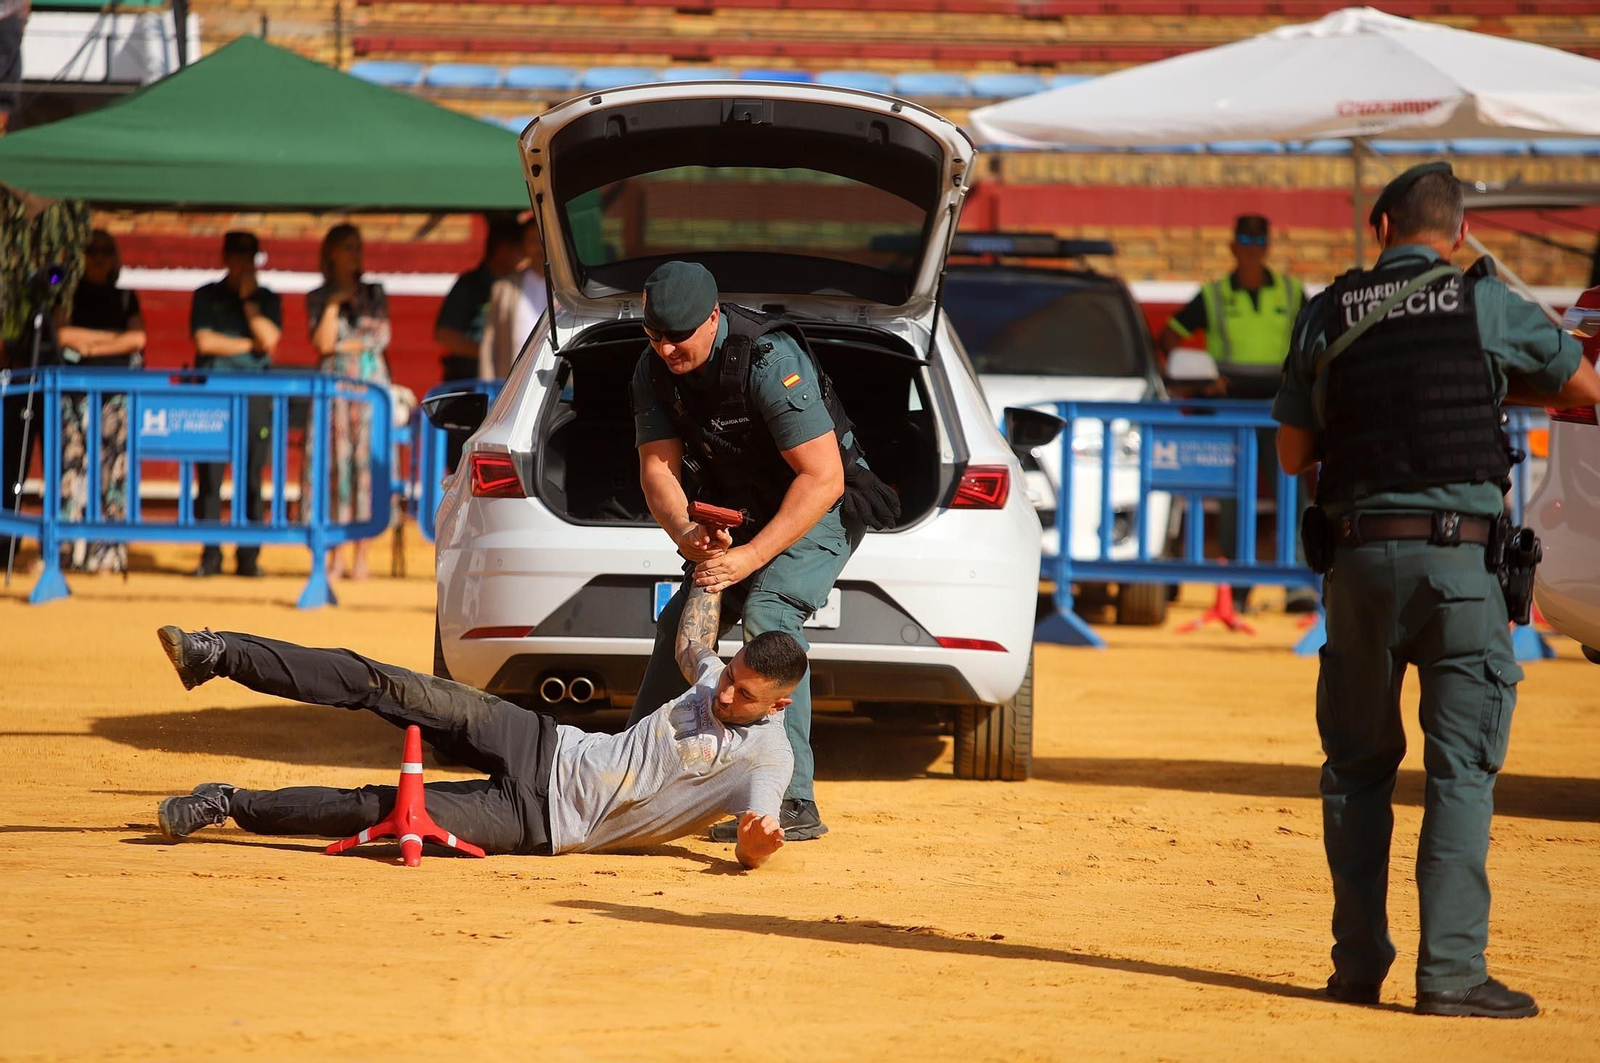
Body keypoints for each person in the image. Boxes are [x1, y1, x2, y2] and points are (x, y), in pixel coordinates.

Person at [1273, 161, 1600, 1018]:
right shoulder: (1483, 303)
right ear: (1459, 235)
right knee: (1461, 771)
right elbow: (1583, 386)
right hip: (1460, 576)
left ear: (1379, 227)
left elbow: (1292, 455)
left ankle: (1355, 969)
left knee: (1354, 768)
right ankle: (1451, 973)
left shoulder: (1327, 311)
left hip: (1356, 568)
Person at [152, 578, 797, 870]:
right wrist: (710, 568)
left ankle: (226, 805)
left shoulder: (769, 759)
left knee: (380, 810)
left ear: (777, 707)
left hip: (540, 825)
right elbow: (694, 639)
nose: (725, 692)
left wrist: (756, 845)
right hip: (542, 741)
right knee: (388, 685)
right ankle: (219, 654)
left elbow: (752, 840)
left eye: (744, 694)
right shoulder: (716, 675)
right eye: (731, 674)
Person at [628, 260, 900, 843]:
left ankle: (791, 798)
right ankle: (633, 774)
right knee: (683, 619)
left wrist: (749, 561)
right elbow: (657, 469)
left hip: (823, 502)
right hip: (742, 506)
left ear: (713, 317)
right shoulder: (651, 368)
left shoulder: (769, 360)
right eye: (656, 336)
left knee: (769, 613)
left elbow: (822, 477)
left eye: (679, 336)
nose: (667, 348)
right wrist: (689, 534)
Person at [1160, 214, 1311, 612]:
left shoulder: (1292, 293)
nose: (1251, 247)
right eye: (1244, 239)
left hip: (1280, 408)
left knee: (1292, 493)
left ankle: (1296, 584)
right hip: (1228, 411)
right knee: (1234, 499)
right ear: (1232, 245)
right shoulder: (1213, 296)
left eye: (1258, 240)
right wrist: (1204, 382)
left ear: (1267, 246)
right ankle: (1237, 589)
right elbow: (1168, 335)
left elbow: (1318, 341)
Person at [189, 231, 281, 578]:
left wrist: (248, 302)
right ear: (226, 257)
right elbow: (204, 342)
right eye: (238, 256)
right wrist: (249, 346)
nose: (244, 263)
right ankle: (210, 555)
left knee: (253, 475)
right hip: (213, 392)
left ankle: (249, 557)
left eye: (250, 257)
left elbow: (268, 340)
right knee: (210, 478)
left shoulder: (266, 299)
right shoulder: (207, 295)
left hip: (254, 393)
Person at [55, 230, 145, 573]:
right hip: (75, 395)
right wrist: (114, 340)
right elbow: (63, 334)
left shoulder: (124, 298)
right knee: (71, 468)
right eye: (92, 250)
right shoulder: (71, 294)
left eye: (106, 251)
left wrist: (92, 347)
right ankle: (64, 552)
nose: (99, 257)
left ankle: (107, 553)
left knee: (113, 472)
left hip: (115, 396)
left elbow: (138, 337)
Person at [306, 223, 391, 581]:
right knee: (333, 464)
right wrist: (333, 304)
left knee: (364, 466)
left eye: (359, 246)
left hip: (368, 386)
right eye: (348, 247)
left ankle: (361, 555)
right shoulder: (319, 296)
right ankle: (335, 554)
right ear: (331, 254)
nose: (356, 253)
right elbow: (323, 344)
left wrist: (341, 346)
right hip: (334, 390)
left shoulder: (374, 292)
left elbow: (379, 338)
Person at [435, 215, 526, 385]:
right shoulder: (470, 285)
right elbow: (444, 335)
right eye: (521, 249)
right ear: (502, 249)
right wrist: (490, 353)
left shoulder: (523, 287)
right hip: (468, 383)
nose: (526, 257)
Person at [478, 216, 548, 382]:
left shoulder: (568, 287)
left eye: (543, 239)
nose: (539, 247)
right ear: (524, 246)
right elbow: (490, 343)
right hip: (515, 381)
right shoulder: (504, 289)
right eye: (532, 240)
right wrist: (489, 387)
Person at [0, 0, 26, 134]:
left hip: (11, 18)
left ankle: (1, 130)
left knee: (8, 85)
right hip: (9, 20)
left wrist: (23, 16)